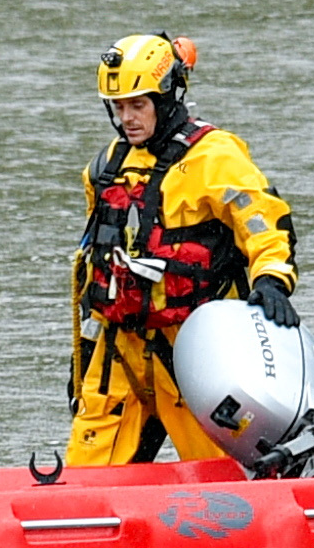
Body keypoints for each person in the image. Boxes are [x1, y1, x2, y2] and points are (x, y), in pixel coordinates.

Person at [64, 32, 299, 468]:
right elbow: (95, 268)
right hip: (120, 353)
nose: (127, 118)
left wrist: (272, 281)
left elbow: (265, 224)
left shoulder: (215, 158)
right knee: (83, 482)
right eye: (119, 107)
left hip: (197, 348)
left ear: (167, 96)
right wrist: (80, 359)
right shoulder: (105, 168)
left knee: (226, 475)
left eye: (139, 104)